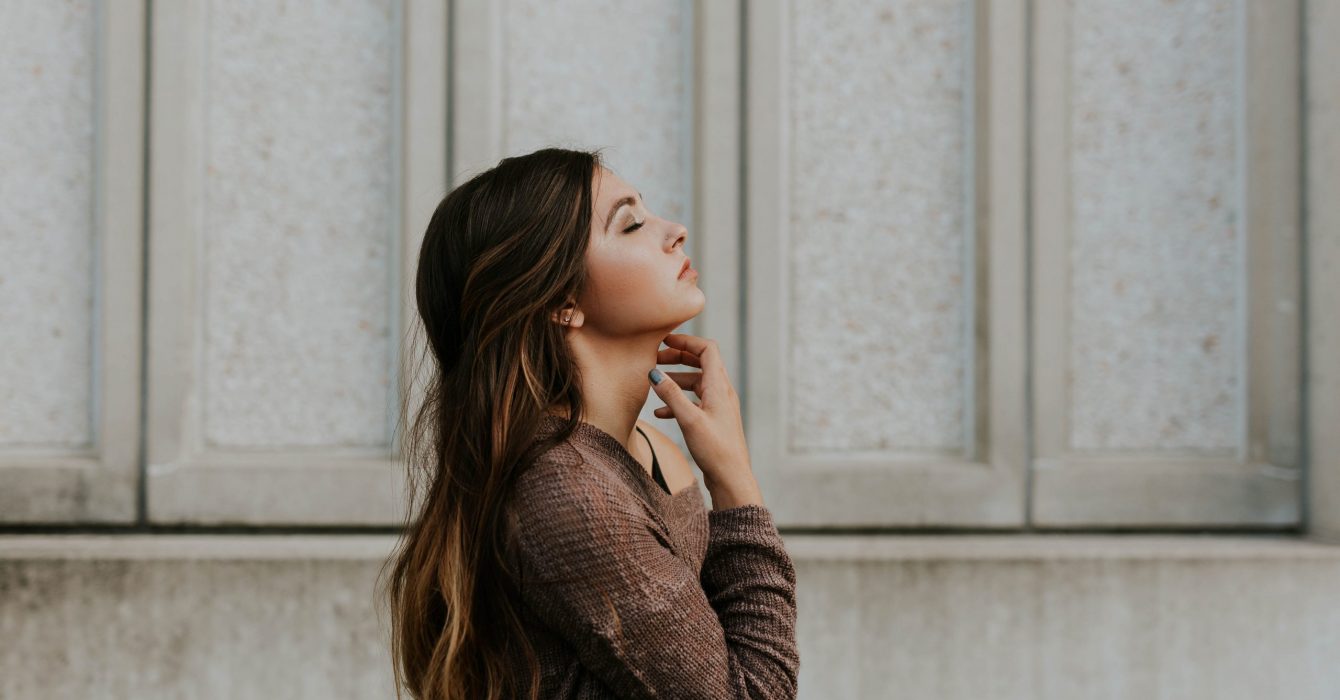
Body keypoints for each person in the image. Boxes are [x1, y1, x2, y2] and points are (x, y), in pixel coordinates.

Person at [379, 147, 798, 699]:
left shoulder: (654, 450)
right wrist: (735, 481)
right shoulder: (569, 493)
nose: (675, 231)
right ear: (561, 299)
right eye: (632, 225)